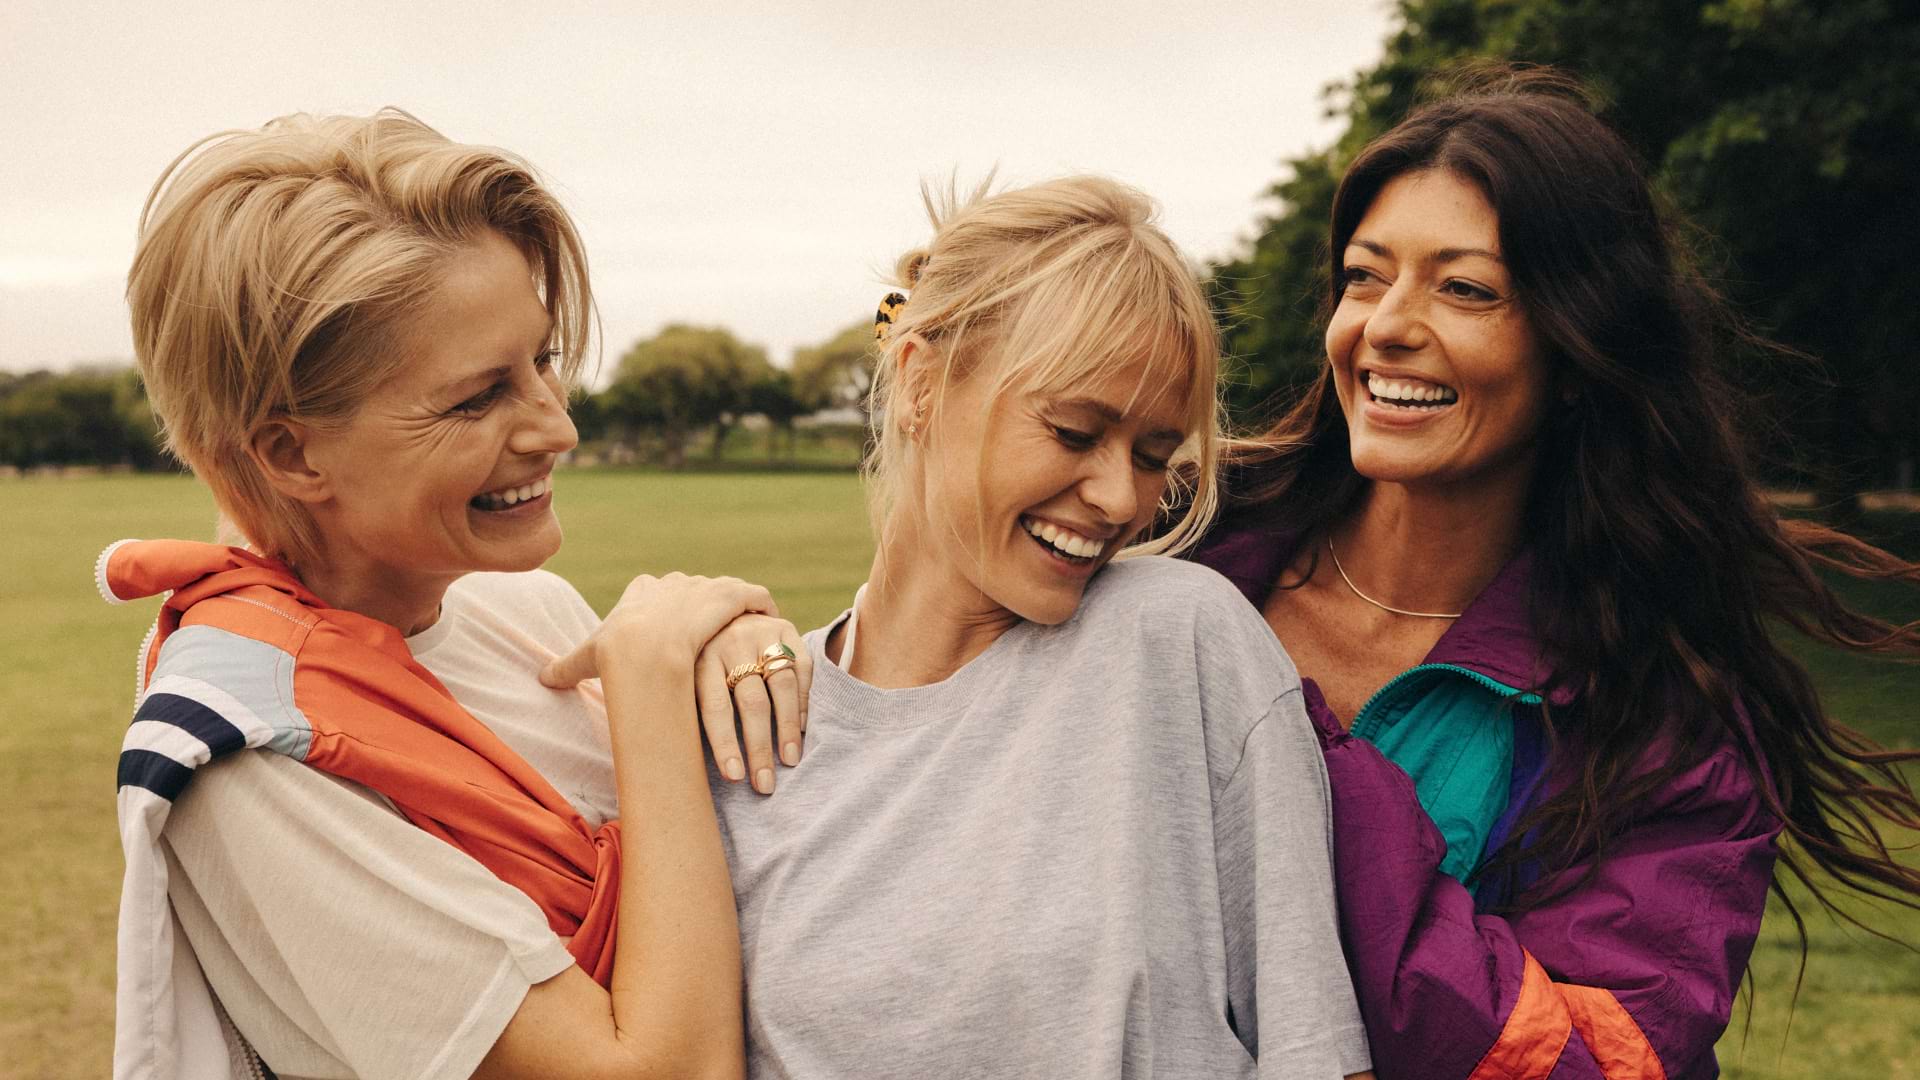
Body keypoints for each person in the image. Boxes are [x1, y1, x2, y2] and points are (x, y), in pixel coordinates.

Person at [1189, 67, 1920, 1079]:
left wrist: (1294, 745)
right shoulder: (1181, 553)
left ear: (1577, 355)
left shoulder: (1668, 716)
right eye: (1365, 275)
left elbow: (1589, 1060)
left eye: (1466, 289)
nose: (1388, 324)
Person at [107, 109, 806, 1080]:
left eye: (546, 362)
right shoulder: (253, 755)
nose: (556, 429)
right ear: (290, 451)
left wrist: (726, 652)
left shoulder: (525, 611)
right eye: (478, 398)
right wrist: (651, 697)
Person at [709, 176, 1375, 1079]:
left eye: (1152, 457)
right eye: (1072, 432)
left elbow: (1317, 1054)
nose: (1119, 499)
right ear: (920, 383)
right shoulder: (747, 727)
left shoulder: (1178, 643)